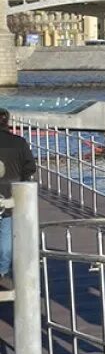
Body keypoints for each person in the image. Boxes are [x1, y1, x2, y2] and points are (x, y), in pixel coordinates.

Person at [0, 108, 37, 288]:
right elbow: (30, 167)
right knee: (6, 235)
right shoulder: (19, 143)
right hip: (11, 193)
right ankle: (2, 269)